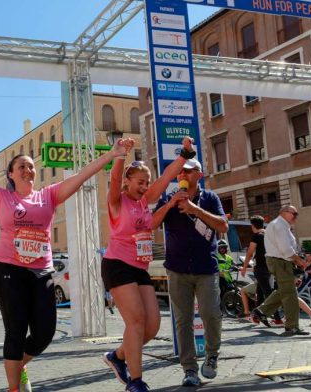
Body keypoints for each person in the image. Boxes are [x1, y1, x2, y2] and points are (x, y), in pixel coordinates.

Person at [0, 137, 131, 392]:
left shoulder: (49, 195)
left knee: (44, 333)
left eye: (30, 166)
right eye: (21, 166)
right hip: (8, 270)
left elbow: (80, 177)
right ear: (11, 175)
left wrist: (112, 154)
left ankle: (18, 364)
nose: (28, 169)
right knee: (15, 330)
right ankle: (14, 387)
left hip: (41, 272)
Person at [102, 137, 195, 392]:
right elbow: (113, 180)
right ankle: (135, 381)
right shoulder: (117, 201)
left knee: (152, 326)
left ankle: (117, 357)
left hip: (139, 267)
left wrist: (184, 156)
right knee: (136, 321)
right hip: (117, 263)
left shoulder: (144, 202)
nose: (144, 187)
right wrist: (120, 155)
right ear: (128, 181)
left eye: (146, 183)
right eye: (139, 182)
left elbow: (165, 178)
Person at [152, 157, 228, 387]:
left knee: (211, 314)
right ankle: (189, 369)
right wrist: (169, 204)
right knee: (183, 320)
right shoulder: (169, 197)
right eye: (180, 172)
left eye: (188, 171)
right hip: (177, 269)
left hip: (206, 267)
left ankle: (212, 355)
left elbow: (223, 226)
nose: (183, 175)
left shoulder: (210, 198)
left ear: (199, 175)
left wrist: (195, 209)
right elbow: (152, 223)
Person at [251, 206, 309, 336]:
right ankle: (291, 326)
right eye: (294, 213)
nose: (296, 216)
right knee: (290, 294)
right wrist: (299, 261)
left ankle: (261, 311)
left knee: (284, 290)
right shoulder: (280, 226)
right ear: (283, 213)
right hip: (280, 261)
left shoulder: (282, 226)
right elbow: (286, 250)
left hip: (280, 261)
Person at [241, 215, 282, 325]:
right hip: (270, 267)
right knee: (260, 292)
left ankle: (278, 319)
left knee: (268, 293)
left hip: (261, 268)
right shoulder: (269, 235)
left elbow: (250, 252)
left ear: (252, 226)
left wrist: (244, 267)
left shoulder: (256, 236)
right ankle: (256, 317)